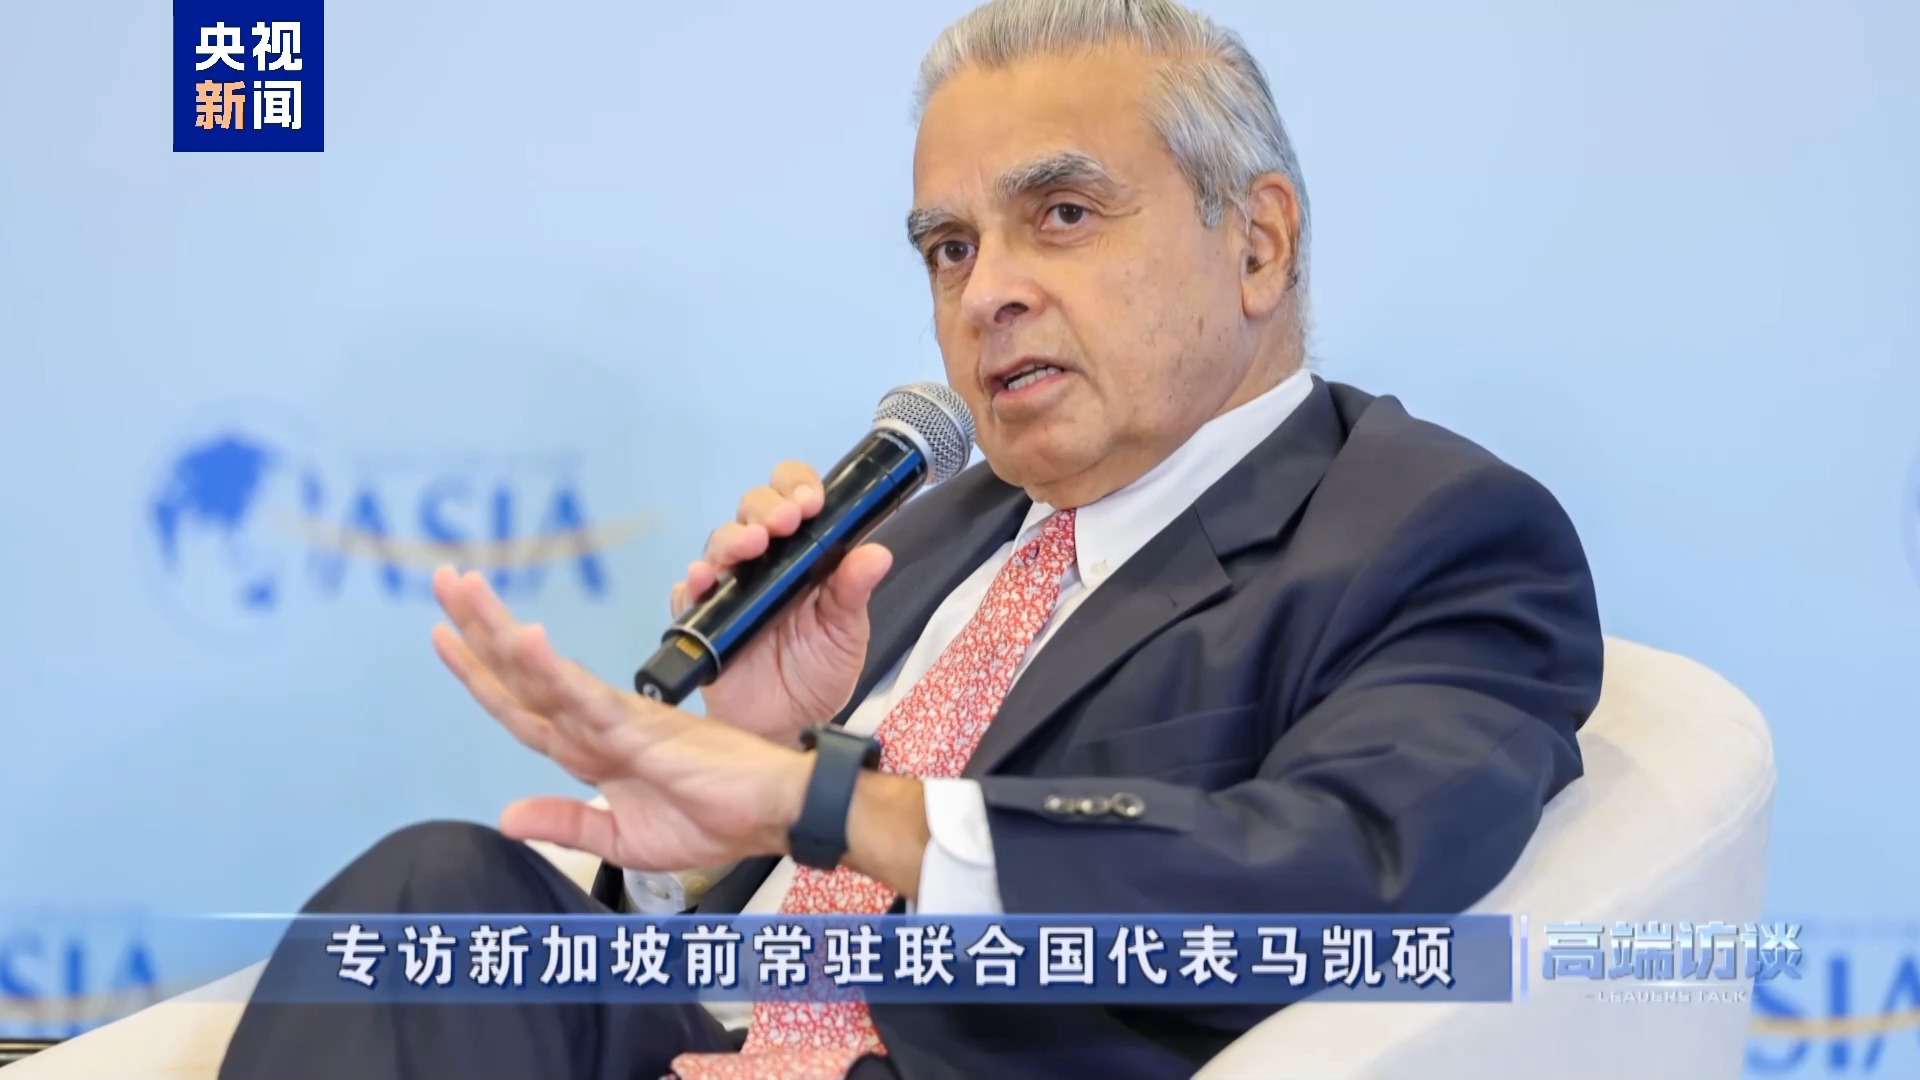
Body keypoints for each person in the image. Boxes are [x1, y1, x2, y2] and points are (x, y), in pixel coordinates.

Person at [219, 1, 1603, 1078]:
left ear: (1256, 244)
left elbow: (1328, 873)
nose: (987, 292)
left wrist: (821, 801)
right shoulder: (924, 532)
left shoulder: (1432, 533)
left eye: (1062, 216)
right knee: (441, 897)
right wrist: (713, 812)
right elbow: (718, 937)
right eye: (949, 248)